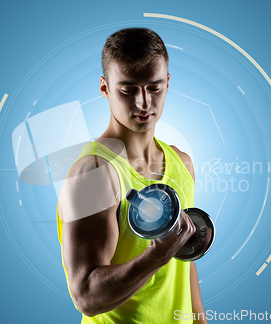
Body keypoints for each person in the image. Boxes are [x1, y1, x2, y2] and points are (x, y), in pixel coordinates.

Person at [57, 28, 207, 324]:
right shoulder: (96, 173)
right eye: (128, 89)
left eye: (154, 87)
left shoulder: (182, 163)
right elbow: (85, 295)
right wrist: (155, 257)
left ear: (167, 83)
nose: (143, 102)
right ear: (105, 88)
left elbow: (183, 264)